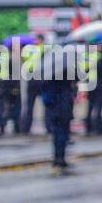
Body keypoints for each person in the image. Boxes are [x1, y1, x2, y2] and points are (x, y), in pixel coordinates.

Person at [38, 42, 77, 171]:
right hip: (62, 106)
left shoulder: (48, 74)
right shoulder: (65, 72)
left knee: (57, 133)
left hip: (53, 106)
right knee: (62, 132)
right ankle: (60, 158)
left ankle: (57, 158)